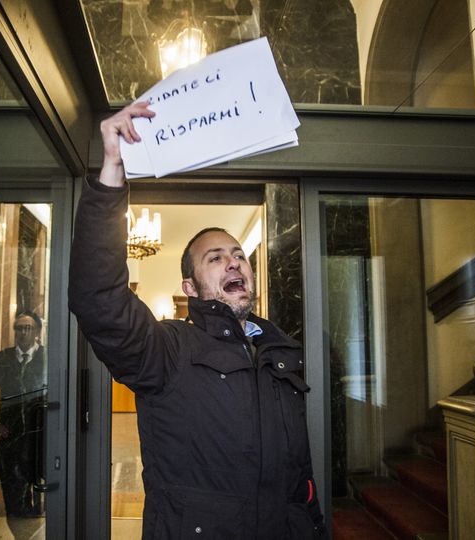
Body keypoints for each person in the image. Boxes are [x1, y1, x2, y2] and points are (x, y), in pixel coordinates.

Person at [69, 102, 327, 538]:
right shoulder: (168, 350)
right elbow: (97, 298)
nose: (234, 263)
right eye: (216, 257)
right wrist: (112, 172)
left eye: (239, 255)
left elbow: (299, 474)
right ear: (189, 287)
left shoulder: (281, 349)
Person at [0, 309, 48, 537]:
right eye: (19, 328)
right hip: (11, 442)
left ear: (37, 331)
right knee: (14, 501)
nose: (23, 333)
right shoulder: (3, 358)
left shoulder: (49, 357)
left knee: (42, 503)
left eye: (28, 328)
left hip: (41, 439)